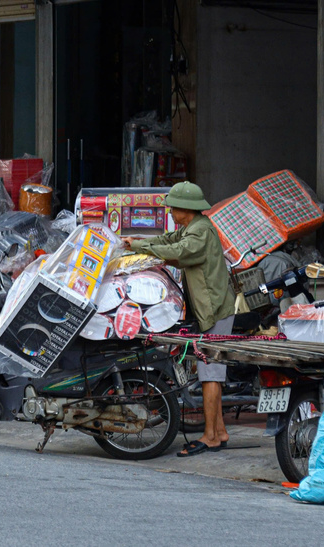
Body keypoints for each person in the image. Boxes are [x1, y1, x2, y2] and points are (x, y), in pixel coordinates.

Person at [121, 181, 235, 457]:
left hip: (216, 309)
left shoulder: (201, 233)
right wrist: (136, 242)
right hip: (210, 308)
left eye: (173, 207)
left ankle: (209, 437)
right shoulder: (191, 228)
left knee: (210, 375)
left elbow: (179, 252)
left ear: (187, 208)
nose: (170, 211)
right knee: (212, 374)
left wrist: (139, 246)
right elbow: (168, 242)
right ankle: (219, 432)